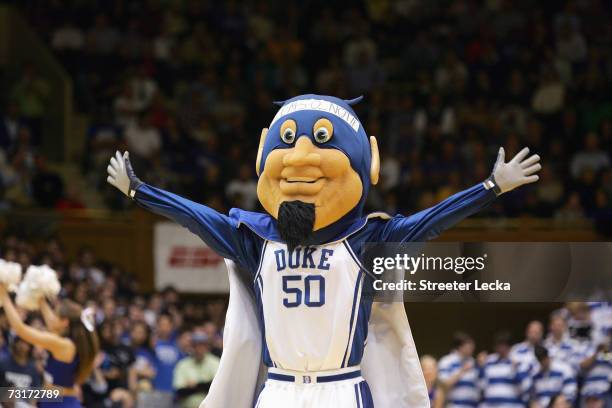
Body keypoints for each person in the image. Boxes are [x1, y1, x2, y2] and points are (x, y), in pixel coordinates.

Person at [107, 94, 541, 408]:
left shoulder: (365, 240)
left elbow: (432, 220)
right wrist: (140, 191)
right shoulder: (257, 240)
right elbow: (197, 217)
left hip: (341, 389)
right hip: (278, 389)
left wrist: (491, 187)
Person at [0, 285, 99, 408]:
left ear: (64, 322)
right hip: (53, 397)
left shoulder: (63, 345)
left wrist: (3, 295)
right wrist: (40, 296)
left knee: (6, 395)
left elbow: (20, 329)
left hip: (61, 402)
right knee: (5, 394)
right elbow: (51, 323)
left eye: (55, 315)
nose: (52, 317)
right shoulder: (67, 341)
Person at [479, 331, 532, 407]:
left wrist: (516, 371)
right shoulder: (489, 362)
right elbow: (482, 385)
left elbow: (526, 386)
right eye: (497, 345)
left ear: (509, 347)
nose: (499, 348)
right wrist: (481, 367)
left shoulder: (518, 362)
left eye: (502, 345)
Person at [173, 332, 220, 408]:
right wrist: (204, 386)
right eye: (196, 345)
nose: (199, 349)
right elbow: (180, 391)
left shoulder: (215, 362)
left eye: (202, 345)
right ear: (191, 346)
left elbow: (217, 388)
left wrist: (195, 385)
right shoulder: (182, 365)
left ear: (207, 346)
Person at [437, 332, 479, 408]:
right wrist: (462, 371)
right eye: (469, 346)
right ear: (460, 347)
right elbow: (444, 385)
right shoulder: (446, 361)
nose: (473, 348)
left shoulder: (472, 362)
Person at [0, 336, 43, 406]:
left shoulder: (33, 368)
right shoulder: (3, 363)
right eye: (20, 342)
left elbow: (35, 393)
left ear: (30, 347)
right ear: (15, 344)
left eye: (26, 343)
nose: (22, 346)